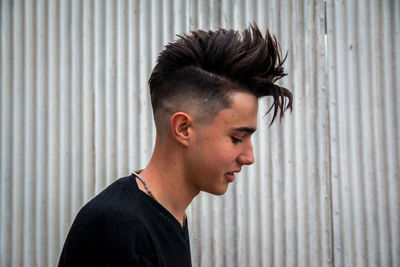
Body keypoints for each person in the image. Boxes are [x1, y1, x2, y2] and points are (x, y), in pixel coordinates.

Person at [58, 23, 292, 267]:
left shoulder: (168, 214)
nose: (249, 157)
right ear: (183, 128)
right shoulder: (116, 230)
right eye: (237, 138)